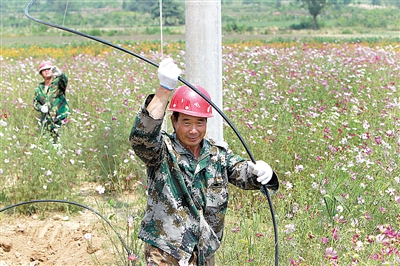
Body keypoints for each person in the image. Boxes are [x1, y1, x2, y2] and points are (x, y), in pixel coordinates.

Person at [129, 58, 279, 266]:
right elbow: (142, 138)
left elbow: (242, 172)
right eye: (187, 122)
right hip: (166, 250)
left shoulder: (217, 155)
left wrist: (262, 173)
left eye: (200, 123)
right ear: (174, 121)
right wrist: (164, 91)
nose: (193, 130)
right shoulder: (162, 152)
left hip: (203, 249)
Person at [33, 60, 70, 141]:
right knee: (48, 142)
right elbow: (35, 103)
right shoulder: (39, 88)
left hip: (60, 117)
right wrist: (41, 108)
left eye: (48, 69)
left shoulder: (58, 83)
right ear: (41, 73)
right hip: (47, 121)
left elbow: (65, 81)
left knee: (62, 141)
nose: (46, 71)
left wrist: (61, 75)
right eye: (44, 70)